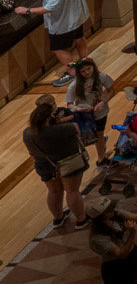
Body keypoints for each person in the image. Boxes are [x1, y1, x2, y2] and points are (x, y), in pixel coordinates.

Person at [16, 0, 89, 78]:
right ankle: (85, 61)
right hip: (77, 15)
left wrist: (26, 10)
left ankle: (74, 71)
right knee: (80, 38)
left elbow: (48, 8)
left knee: (58, 49)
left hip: (64, 23)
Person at [23, 94, 87, 230]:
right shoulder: (63, 129)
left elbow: (32, 152)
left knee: (54, 192)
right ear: (49, 116)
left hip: (44, 165)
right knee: (72, 191)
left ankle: (58, 219)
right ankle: (81, 220)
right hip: (68, 163)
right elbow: (76, 131)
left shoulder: (27, 133)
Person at [83, 194, 137, 284]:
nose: (112, 208)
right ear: (99, 216)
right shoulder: (97, 238)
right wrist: (132, 233)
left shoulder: (117, 213)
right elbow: (121, 254)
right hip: (117, 268)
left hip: (134, 256)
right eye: (108, 209)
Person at [66, 55, 115, 164]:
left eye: (89, 69)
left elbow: (111, 90)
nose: (87, 72)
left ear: (93, 67)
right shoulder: (73, 86)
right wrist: (78, 109)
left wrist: (104, 101)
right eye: (83, 71)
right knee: (89, 139)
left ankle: (101, 158)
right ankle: (102, 142)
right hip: (84, 114)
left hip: (100, 112)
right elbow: (69, 104)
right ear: (79, 73)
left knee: (99, 135)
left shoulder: (102, 77)